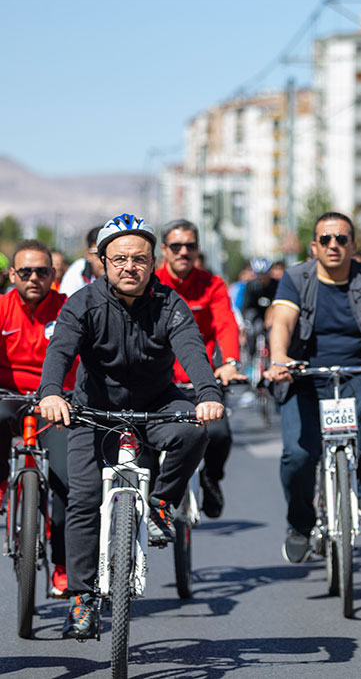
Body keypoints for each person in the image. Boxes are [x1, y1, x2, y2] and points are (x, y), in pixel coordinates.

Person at [37, 213, 224, 640]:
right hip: (94, 410)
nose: (129, 267)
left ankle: (160, 504)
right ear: (102, 261)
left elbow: (192, 350)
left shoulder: (169, 303)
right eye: (119, 258)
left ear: (152, 262)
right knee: (83, 500)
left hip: (155, 404)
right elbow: (61, 351)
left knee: (194, 430)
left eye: (139, 258)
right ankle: (82, 600)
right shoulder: (81, 303)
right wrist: (51, 393)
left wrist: (208, 393)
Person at [263, 212, 361, 564]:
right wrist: (280, 358)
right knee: (297, 456)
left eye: (341, 239)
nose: (333, 245)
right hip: (304, 375)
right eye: (325, 239)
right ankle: (299, 524)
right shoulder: (297, 277)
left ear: (353, 246)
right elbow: (282, 319)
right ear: (314, 246)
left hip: (357, 370)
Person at [0, 240, 77, 596]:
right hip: (8, 397)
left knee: (66, 484)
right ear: (12, 274)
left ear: (53, 274)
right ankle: (2, 481)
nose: (34, 278)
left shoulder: (71, 309)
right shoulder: (1, 308)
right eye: (25, 271)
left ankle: (63, 566)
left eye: (41, 271)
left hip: (57, 402)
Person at [155, 219, 245, 518]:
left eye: (190, 246)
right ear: (164, 250)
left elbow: (226, 324)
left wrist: (230, 363)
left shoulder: (212, 284)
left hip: (202, 380)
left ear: (197, 250)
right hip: (160, 382)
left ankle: (211, 478)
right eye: (176, 246)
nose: (183, 252)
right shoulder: (151, 283)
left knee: (219, 435)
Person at [58, 226, 104, 297]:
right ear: (88, 255)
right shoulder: (77, 271)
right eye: (98, 254)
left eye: (108, 253)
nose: (103, 259)